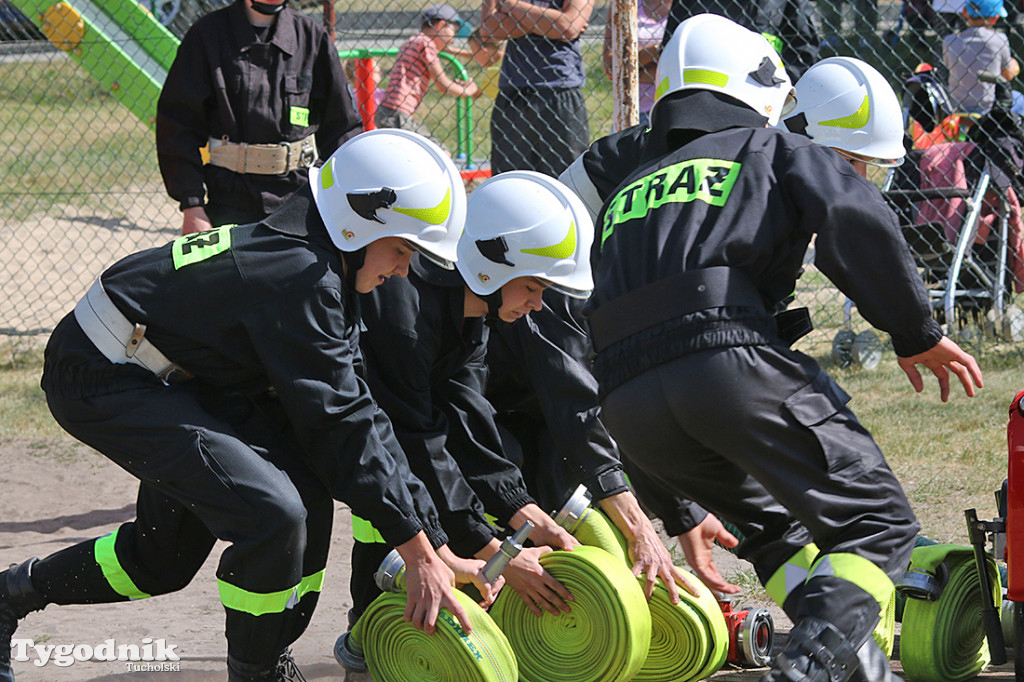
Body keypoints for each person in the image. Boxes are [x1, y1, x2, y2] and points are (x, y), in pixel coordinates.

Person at [0, 129, 501, 682]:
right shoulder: (299, 274)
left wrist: (430, 539)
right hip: (101, 373)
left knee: (167, 559)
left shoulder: (320, 255)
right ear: (361, 225)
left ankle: (8, 595)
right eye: (403, 249)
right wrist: (419, 555)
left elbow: (359, 411)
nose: (403, 270)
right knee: (273, 514)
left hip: (175, 371)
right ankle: (258, 671)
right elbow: (339, 422)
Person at [574, 14, 984, 682]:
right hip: (719, 358)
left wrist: (673, 500)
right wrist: (916, 334)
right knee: (876, 523)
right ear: (764, 96)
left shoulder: (630, 182)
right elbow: (854, 216)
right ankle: (810, 668)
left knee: (776, 535)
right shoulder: (768, 149)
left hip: (624, 401)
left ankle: (858, 672)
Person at [344, 171, 613, 635]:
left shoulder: (470, 311)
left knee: (499, 454)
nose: (537, 305)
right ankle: (373, 627)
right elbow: (416, 438)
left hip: (380, 429)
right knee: (331, 510)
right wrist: (494, 552)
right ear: (490, 267)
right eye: (532, 287)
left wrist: (520, 509)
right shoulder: (404, 314)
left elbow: (467, 419)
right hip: (295, 421)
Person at [156, 0, 362, 236]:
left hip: (300, 200)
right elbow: (178, 125)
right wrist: (192, 205)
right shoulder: (208, 36)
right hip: (230, 201)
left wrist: (343, 198)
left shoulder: (311, 37)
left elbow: (343, 128)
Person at [478, 0, 593, 176]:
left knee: (567, 180)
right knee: (510, 181)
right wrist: (548, 21)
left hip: (560, 89)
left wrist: (510, 5)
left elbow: (568, 26)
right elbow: (488, 30)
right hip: (513, 92)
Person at [375, 4, 482, 147]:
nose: (454, 39)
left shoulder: (414, 41)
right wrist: (469, 90)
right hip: (397, 115)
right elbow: (443, 84)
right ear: (441, 25)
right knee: (439, 151)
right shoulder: (426, 44)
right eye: (454, 32)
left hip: (389, 113)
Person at [660, 0, 822, 80]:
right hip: (704, 92)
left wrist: (778, 84)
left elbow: (804, 48)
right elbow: (673, 43)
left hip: (765, 93)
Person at [942, 0, 1019, 115]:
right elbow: (1008, 75)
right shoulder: (1000, 40)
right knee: (1019, 99)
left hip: (956, 107)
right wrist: (1014, 65)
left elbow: (948, 66)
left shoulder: (949, 41)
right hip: (988, 107)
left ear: (964, 12)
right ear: (995, 18)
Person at [601, 0, 671, 125]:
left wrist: (631, 66)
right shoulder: (623, 4)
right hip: (630, 113)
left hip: (670, 110)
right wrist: (659, 48)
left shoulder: (688, 5)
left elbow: (682, 68)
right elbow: (611, 67)